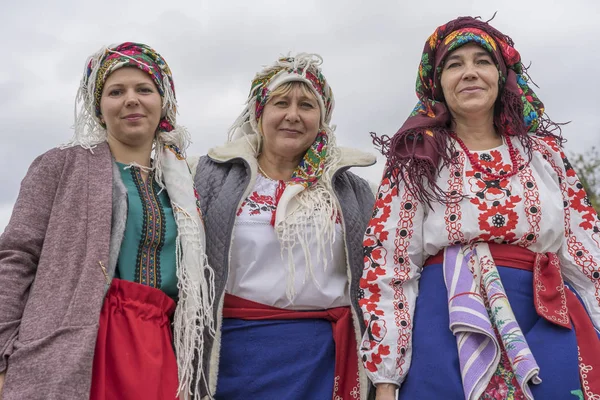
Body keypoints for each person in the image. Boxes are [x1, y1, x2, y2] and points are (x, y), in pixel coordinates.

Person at [359, 16, 600, 400]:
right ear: (437, 82)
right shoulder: (416, 161)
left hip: (545, 317)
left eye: (481, 61)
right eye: (454, 65)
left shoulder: (545, 157)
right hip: (446, 328)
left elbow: (586, 257)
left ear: (502, 77)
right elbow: (390, 267)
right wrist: (386, 379)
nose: (469, 73)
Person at [0, 42, 214, 400]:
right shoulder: (60, 166)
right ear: (99, 107)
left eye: (144, 89)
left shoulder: (186, 185)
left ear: (163, 102)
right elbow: (15, 257)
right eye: (116, 91)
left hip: (159, 347)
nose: (131, 99)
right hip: (77, 342)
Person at [191, 53, 376, 399]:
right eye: (280, 103)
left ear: (322, 118)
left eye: (307, 105)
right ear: (258, 113)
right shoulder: (211, 177)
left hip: (321, 360)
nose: (292, 115)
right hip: (235, 355)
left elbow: (376, 278)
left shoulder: (351, 190)